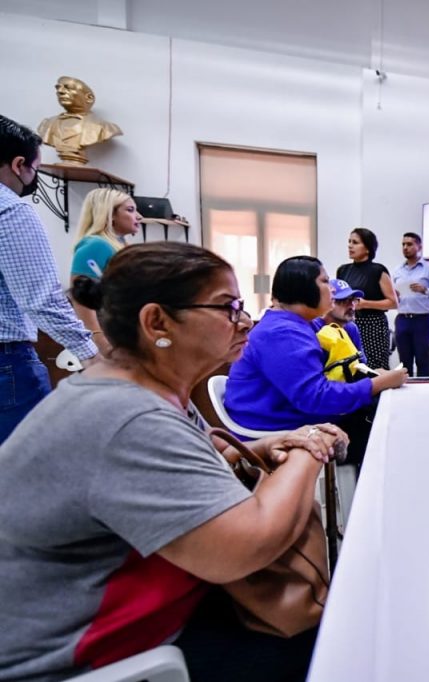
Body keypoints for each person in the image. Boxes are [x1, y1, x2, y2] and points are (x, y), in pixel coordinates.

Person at [0, 242, 346, 681]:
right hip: (75, 657)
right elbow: (246, 547)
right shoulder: (126, 416)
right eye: (227, 307)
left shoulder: (140, 388)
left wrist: (264, 446)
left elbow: (194, 460)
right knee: (325, 644)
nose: (244, 320)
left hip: (146, 608)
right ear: (157, 321)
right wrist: (309, 447)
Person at [227, 256, 406, 464]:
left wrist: (374, 380)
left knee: (381, 410)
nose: (331, 289)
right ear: (303, 287)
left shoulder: (298, 325)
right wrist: (377, 384)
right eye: (324, 281)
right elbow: (316, 397)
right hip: (273, 425)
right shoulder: (283, 333)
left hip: (291, 413)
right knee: (383, 424)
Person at [0, 114, 98, 444]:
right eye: (36, 169)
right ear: (19, 165)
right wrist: (91, 355)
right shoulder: (10, 209)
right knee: (26, 462)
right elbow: (41, 299)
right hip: (7, 362)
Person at [69, 187, 141, 355]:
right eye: (130, 210)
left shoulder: (119, 245)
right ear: (110, 214)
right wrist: (99, 339)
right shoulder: (96, 245)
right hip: (109, 334)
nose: (139, 216)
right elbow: (81, 299)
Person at [336, 228, 396, 370]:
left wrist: (365, 304)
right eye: (349, 242)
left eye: (355, 242)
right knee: (352, 365)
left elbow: (393, 302)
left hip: (373, 326)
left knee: (374, 368)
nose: (350, 246)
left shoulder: (378, 270)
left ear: (368, 248)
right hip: (349, 324)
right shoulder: (343, 270)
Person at [36, 76, 123, 166]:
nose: (60, 91)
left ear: (89, 98)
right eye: (58, 88)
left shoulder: (105, 128)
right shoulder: (46, 124)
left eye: (68, 88)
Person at [393, 232, 429, 376]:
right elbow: (392, 295)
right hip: (402, 319)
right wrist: (395, 295)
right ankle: (406, 387)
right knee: (404, 360)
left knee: (423, 359)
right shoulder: (397, 270)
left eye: (409, 244)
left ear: (419, 247)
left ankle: (424, 387)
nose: (405, 247)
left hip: (422, 320)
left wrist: (425, 290)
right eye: (403, 244)